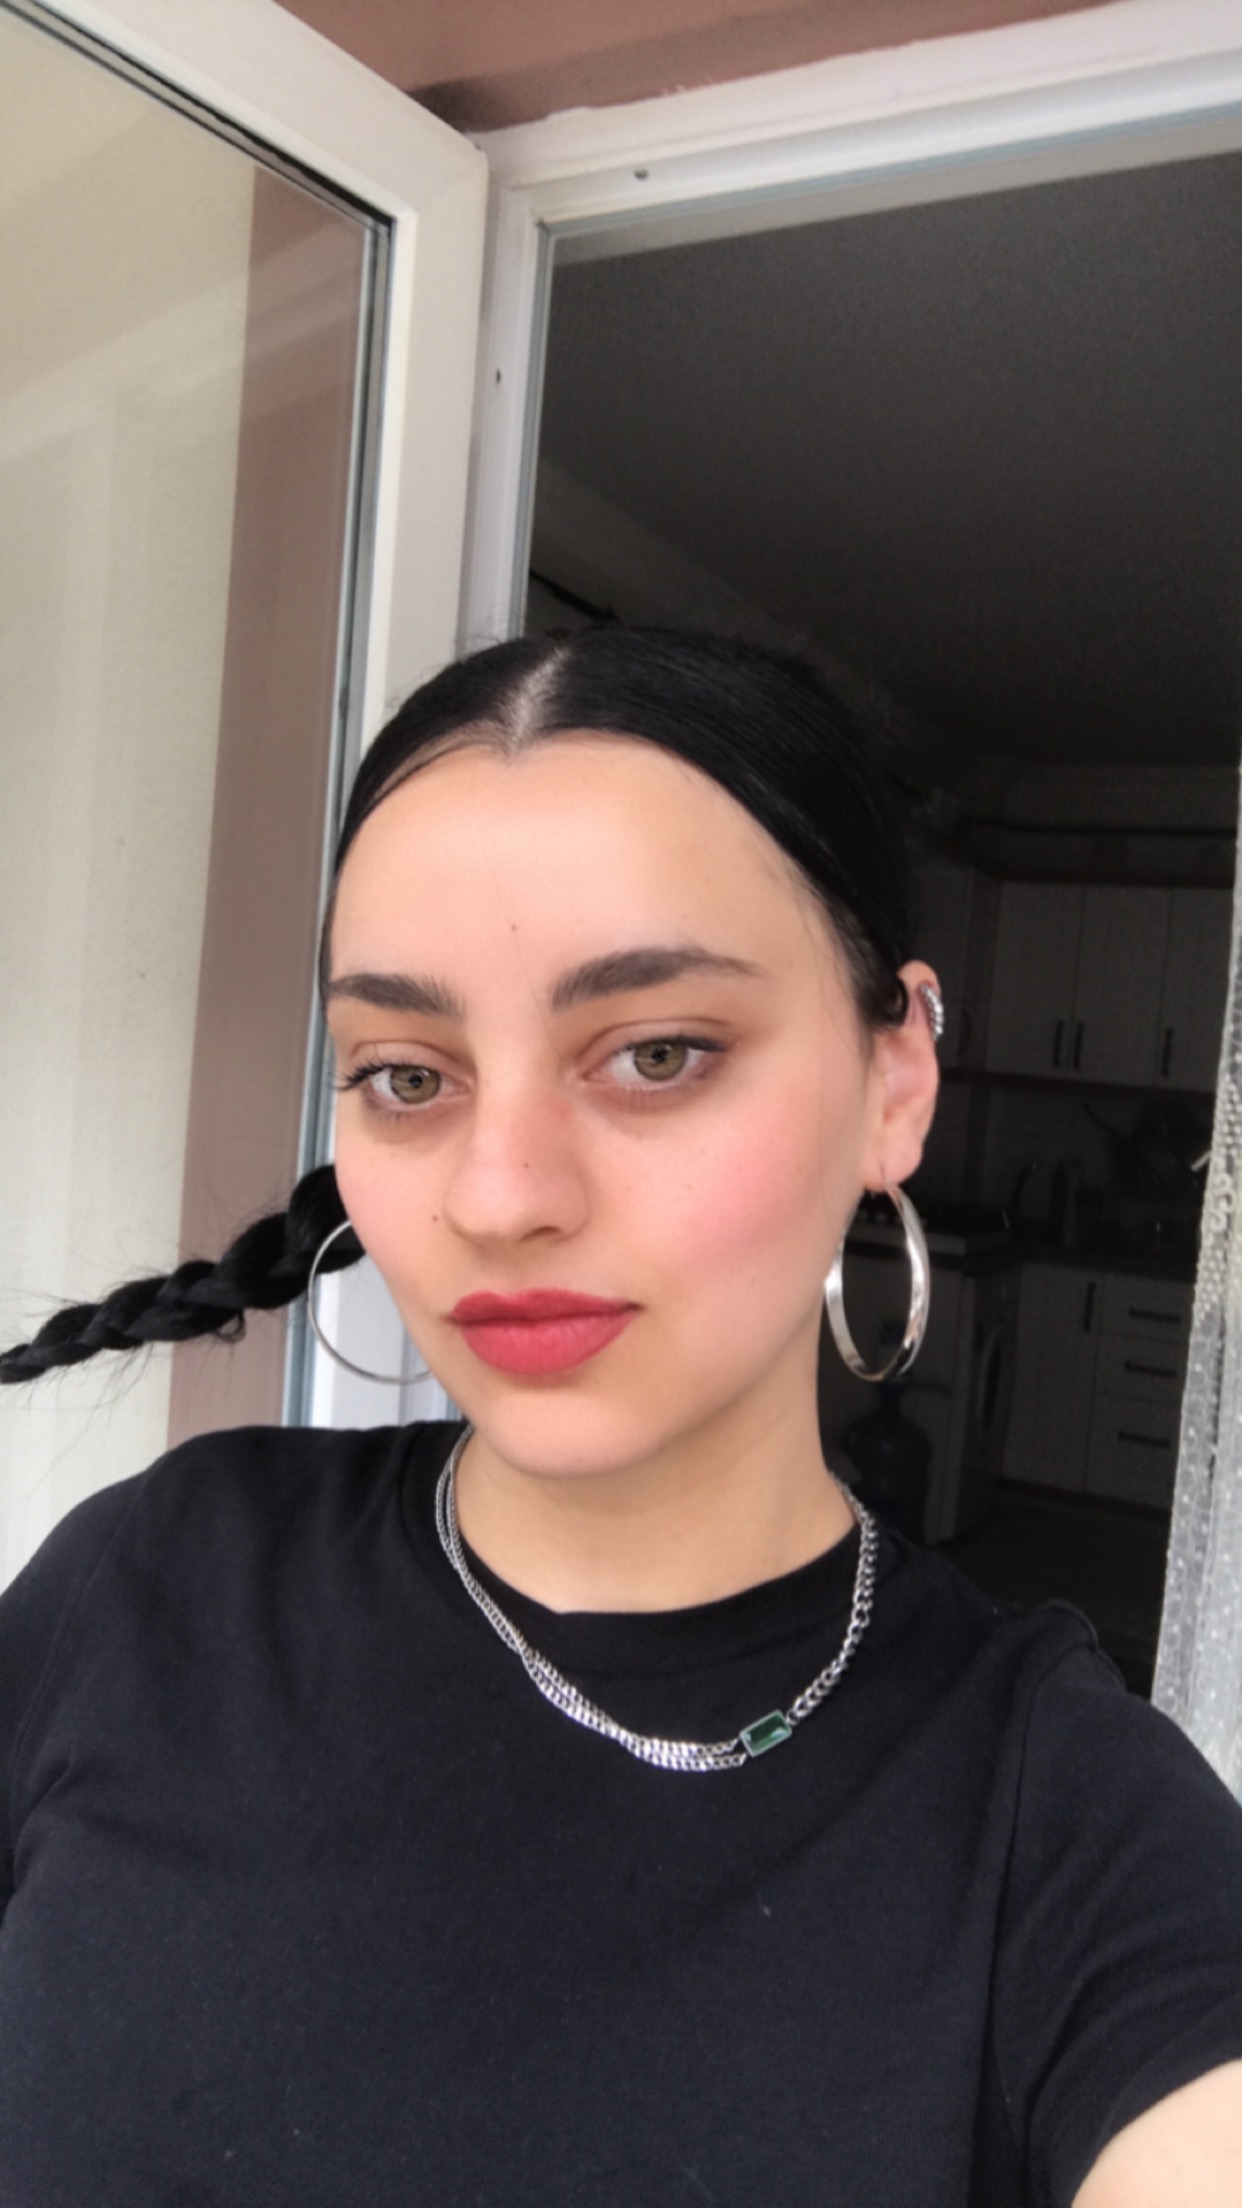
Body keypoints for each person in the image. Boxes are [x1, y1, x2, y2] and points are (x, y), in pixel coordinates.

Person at [0, 627, 1240, 2208]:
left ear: (896, 1080)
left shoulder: (1064, 1826)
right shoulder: (159, 1579)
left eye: (657, 1053)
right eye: (407, 1074)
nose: (500, 1196)